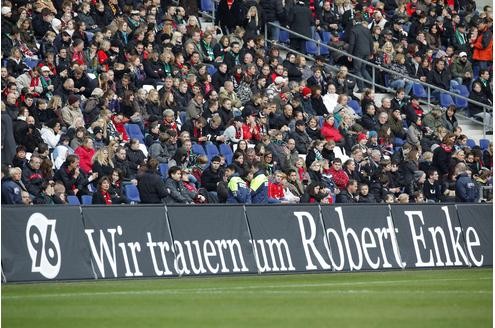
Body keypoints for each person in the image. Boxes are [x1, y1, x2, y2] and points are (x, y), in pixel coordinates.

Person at [347, 13, 374, 92]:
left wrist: (349, 54)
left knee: (357, 70)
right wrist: (371, 53)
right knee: (363, 69)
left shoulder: (354, 30)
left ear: (354, 22)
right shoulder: (366, 29)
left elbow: (352, 43)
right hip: (367, 51)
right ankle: (371, 86)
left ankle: (361, 88)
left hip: (358, 52)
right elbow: (371, 42)